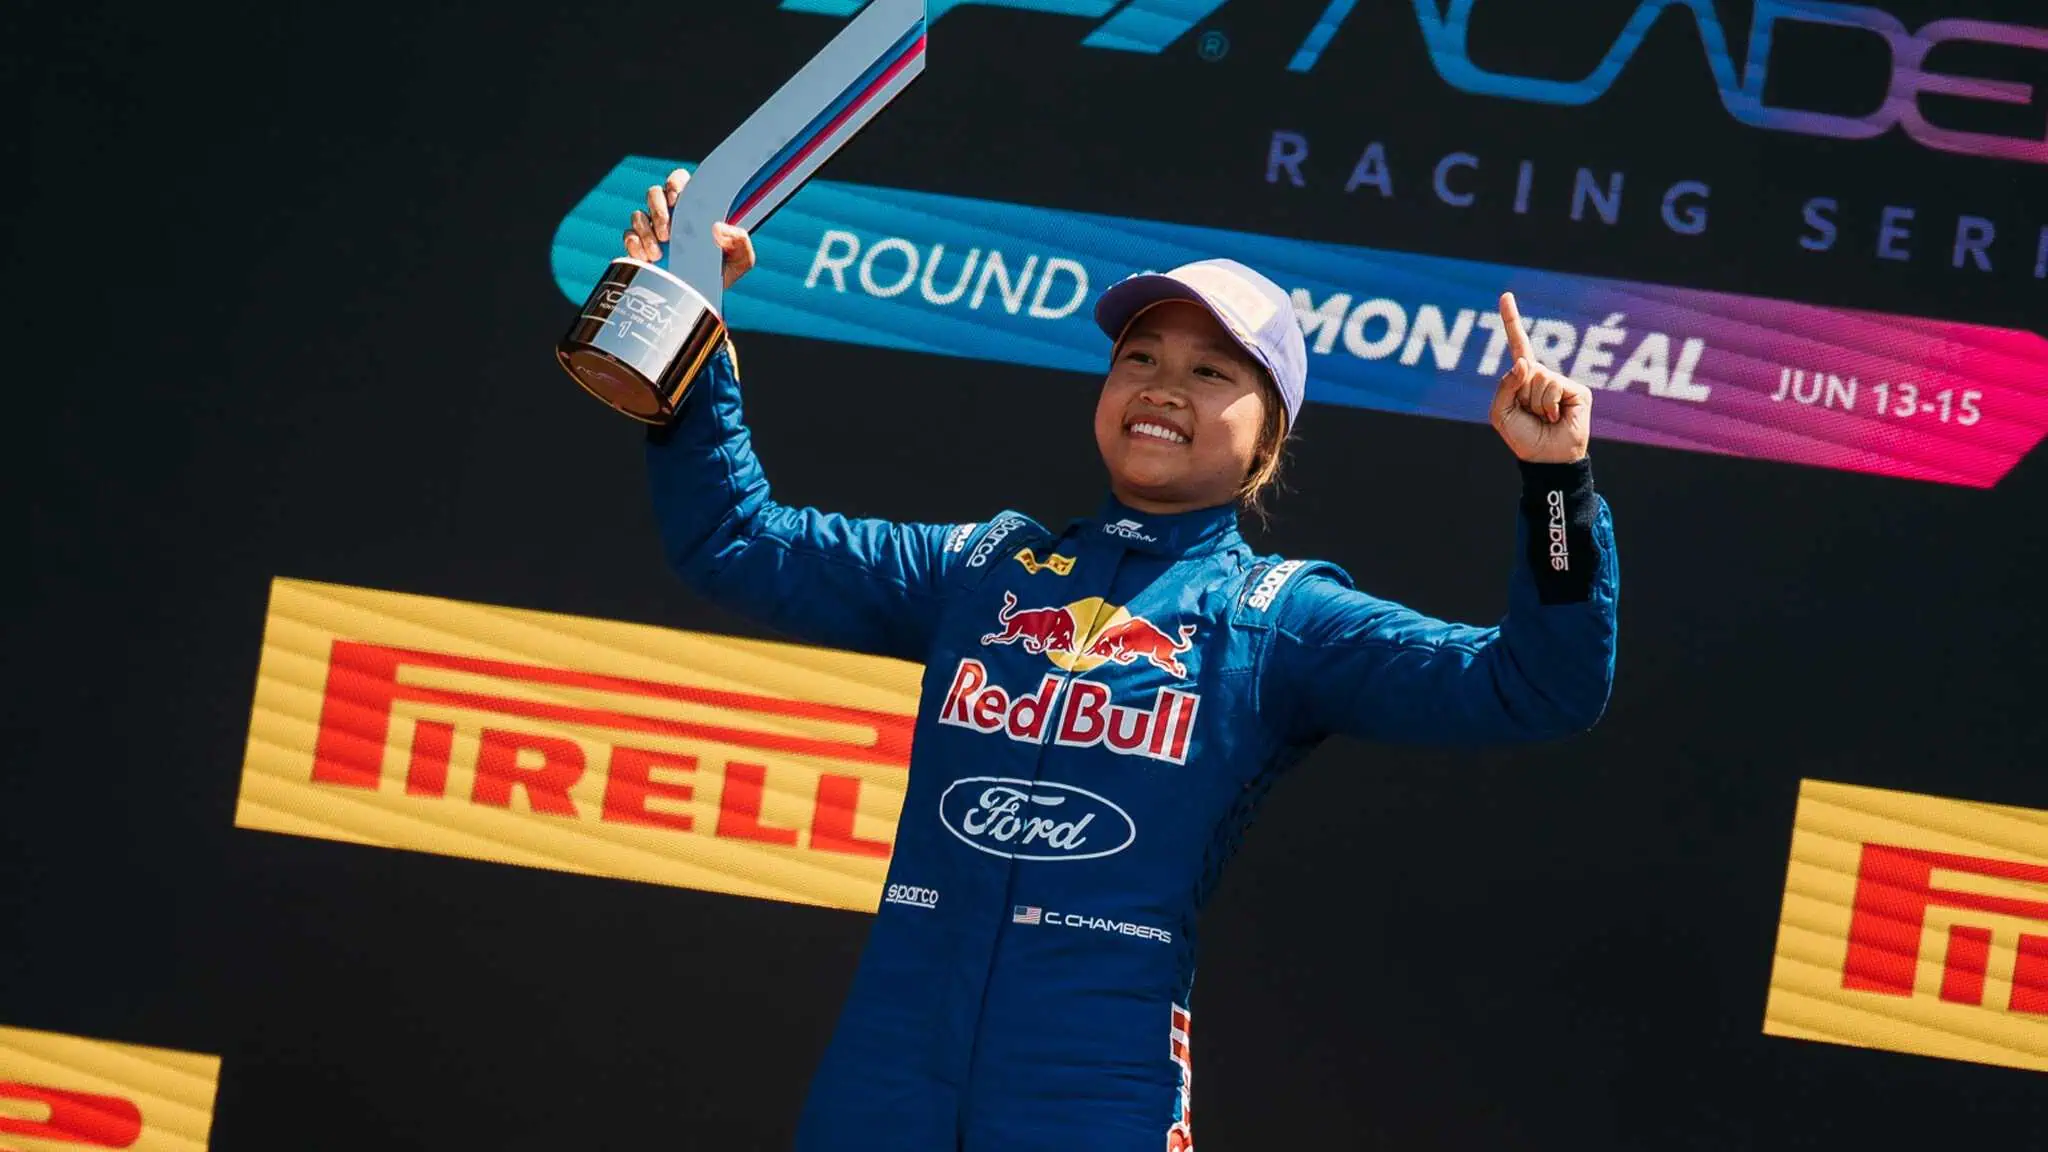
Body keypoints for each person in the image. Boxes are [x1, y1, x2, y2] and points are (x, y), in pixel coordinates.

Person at [625, 169, 1618, 1151]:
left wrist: (1554, 485)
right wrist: (689, 324)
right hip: (888, 1065)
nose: (1159, 387)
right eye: (1138, 357)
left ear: (1268, 434)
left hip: (1094, 1084)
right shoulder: (981, 569)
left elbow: (1534, 688)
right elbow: (732, 539)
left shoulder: (1274, 617)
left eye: (1208, 371)